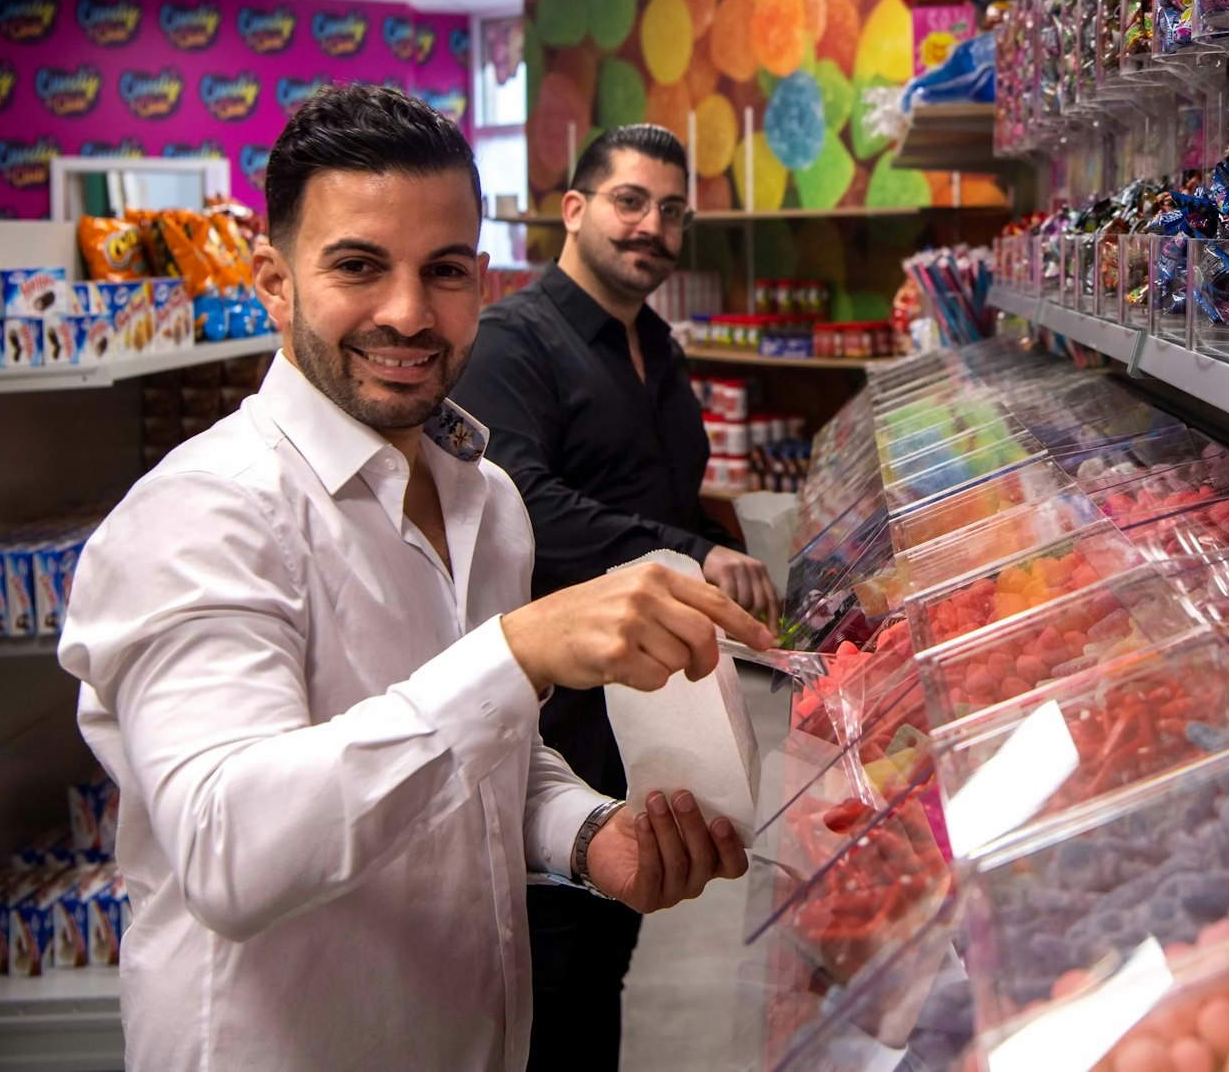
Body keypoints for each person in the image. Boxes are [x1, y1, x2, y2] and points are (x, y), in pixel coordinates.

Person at [56, 85, 770, 1072]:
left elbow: (491, 763)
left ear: (480, 279)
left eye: (442, 272)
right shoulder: (201, 518)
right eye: (357, 266)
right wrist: (518, 651)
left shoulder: (484, 501)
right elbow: (230, 849)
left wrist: (588, 833)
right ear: (272, 278)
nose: (407, 312)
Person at [451, 124, 777, 1066]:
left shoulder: (655, 346)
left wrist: (708, 547)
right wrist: (688, 556)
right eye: (632, 202)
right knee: (547, 985)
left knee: (603, 970)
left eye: (672, 211)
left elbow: (657, 499)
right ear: (576, 209)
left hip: (641, 723)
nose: (652, 227)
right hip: (550, 731)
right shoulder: (514, 343)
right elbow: (525, 509)